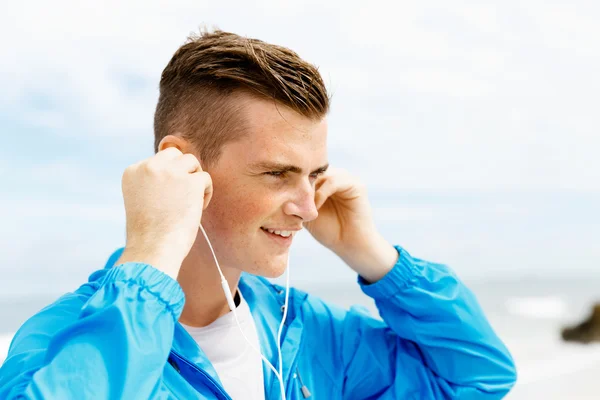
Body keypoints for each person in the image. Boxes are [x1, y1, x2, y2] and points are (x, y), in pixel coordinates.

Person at [0, 29, 517, 399]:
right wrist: (152, 254)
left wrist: (375, 257)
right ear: (180, 164)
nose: (308, 207)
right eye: (276, 173)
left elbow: (476, 378)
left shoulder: (303, 329)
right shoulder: (62, 341)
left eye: (314, 174)